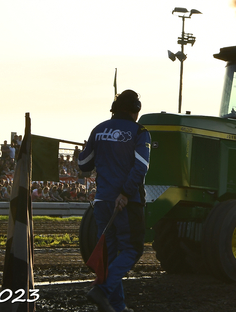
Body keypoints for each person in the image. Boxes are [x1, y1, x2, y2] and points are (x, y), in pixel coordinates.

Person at [80, 90, 151, 312]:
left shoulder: (98, 129)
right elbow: (141, 167)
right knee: (133, 249)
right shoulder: (140, 132)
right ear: (135, 109)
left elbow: (83, 164)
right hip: (126, 202)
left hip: (101, 201)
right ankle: (102, 289)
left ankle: (118, 307)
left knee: (110, 255)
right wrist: (126, 193)